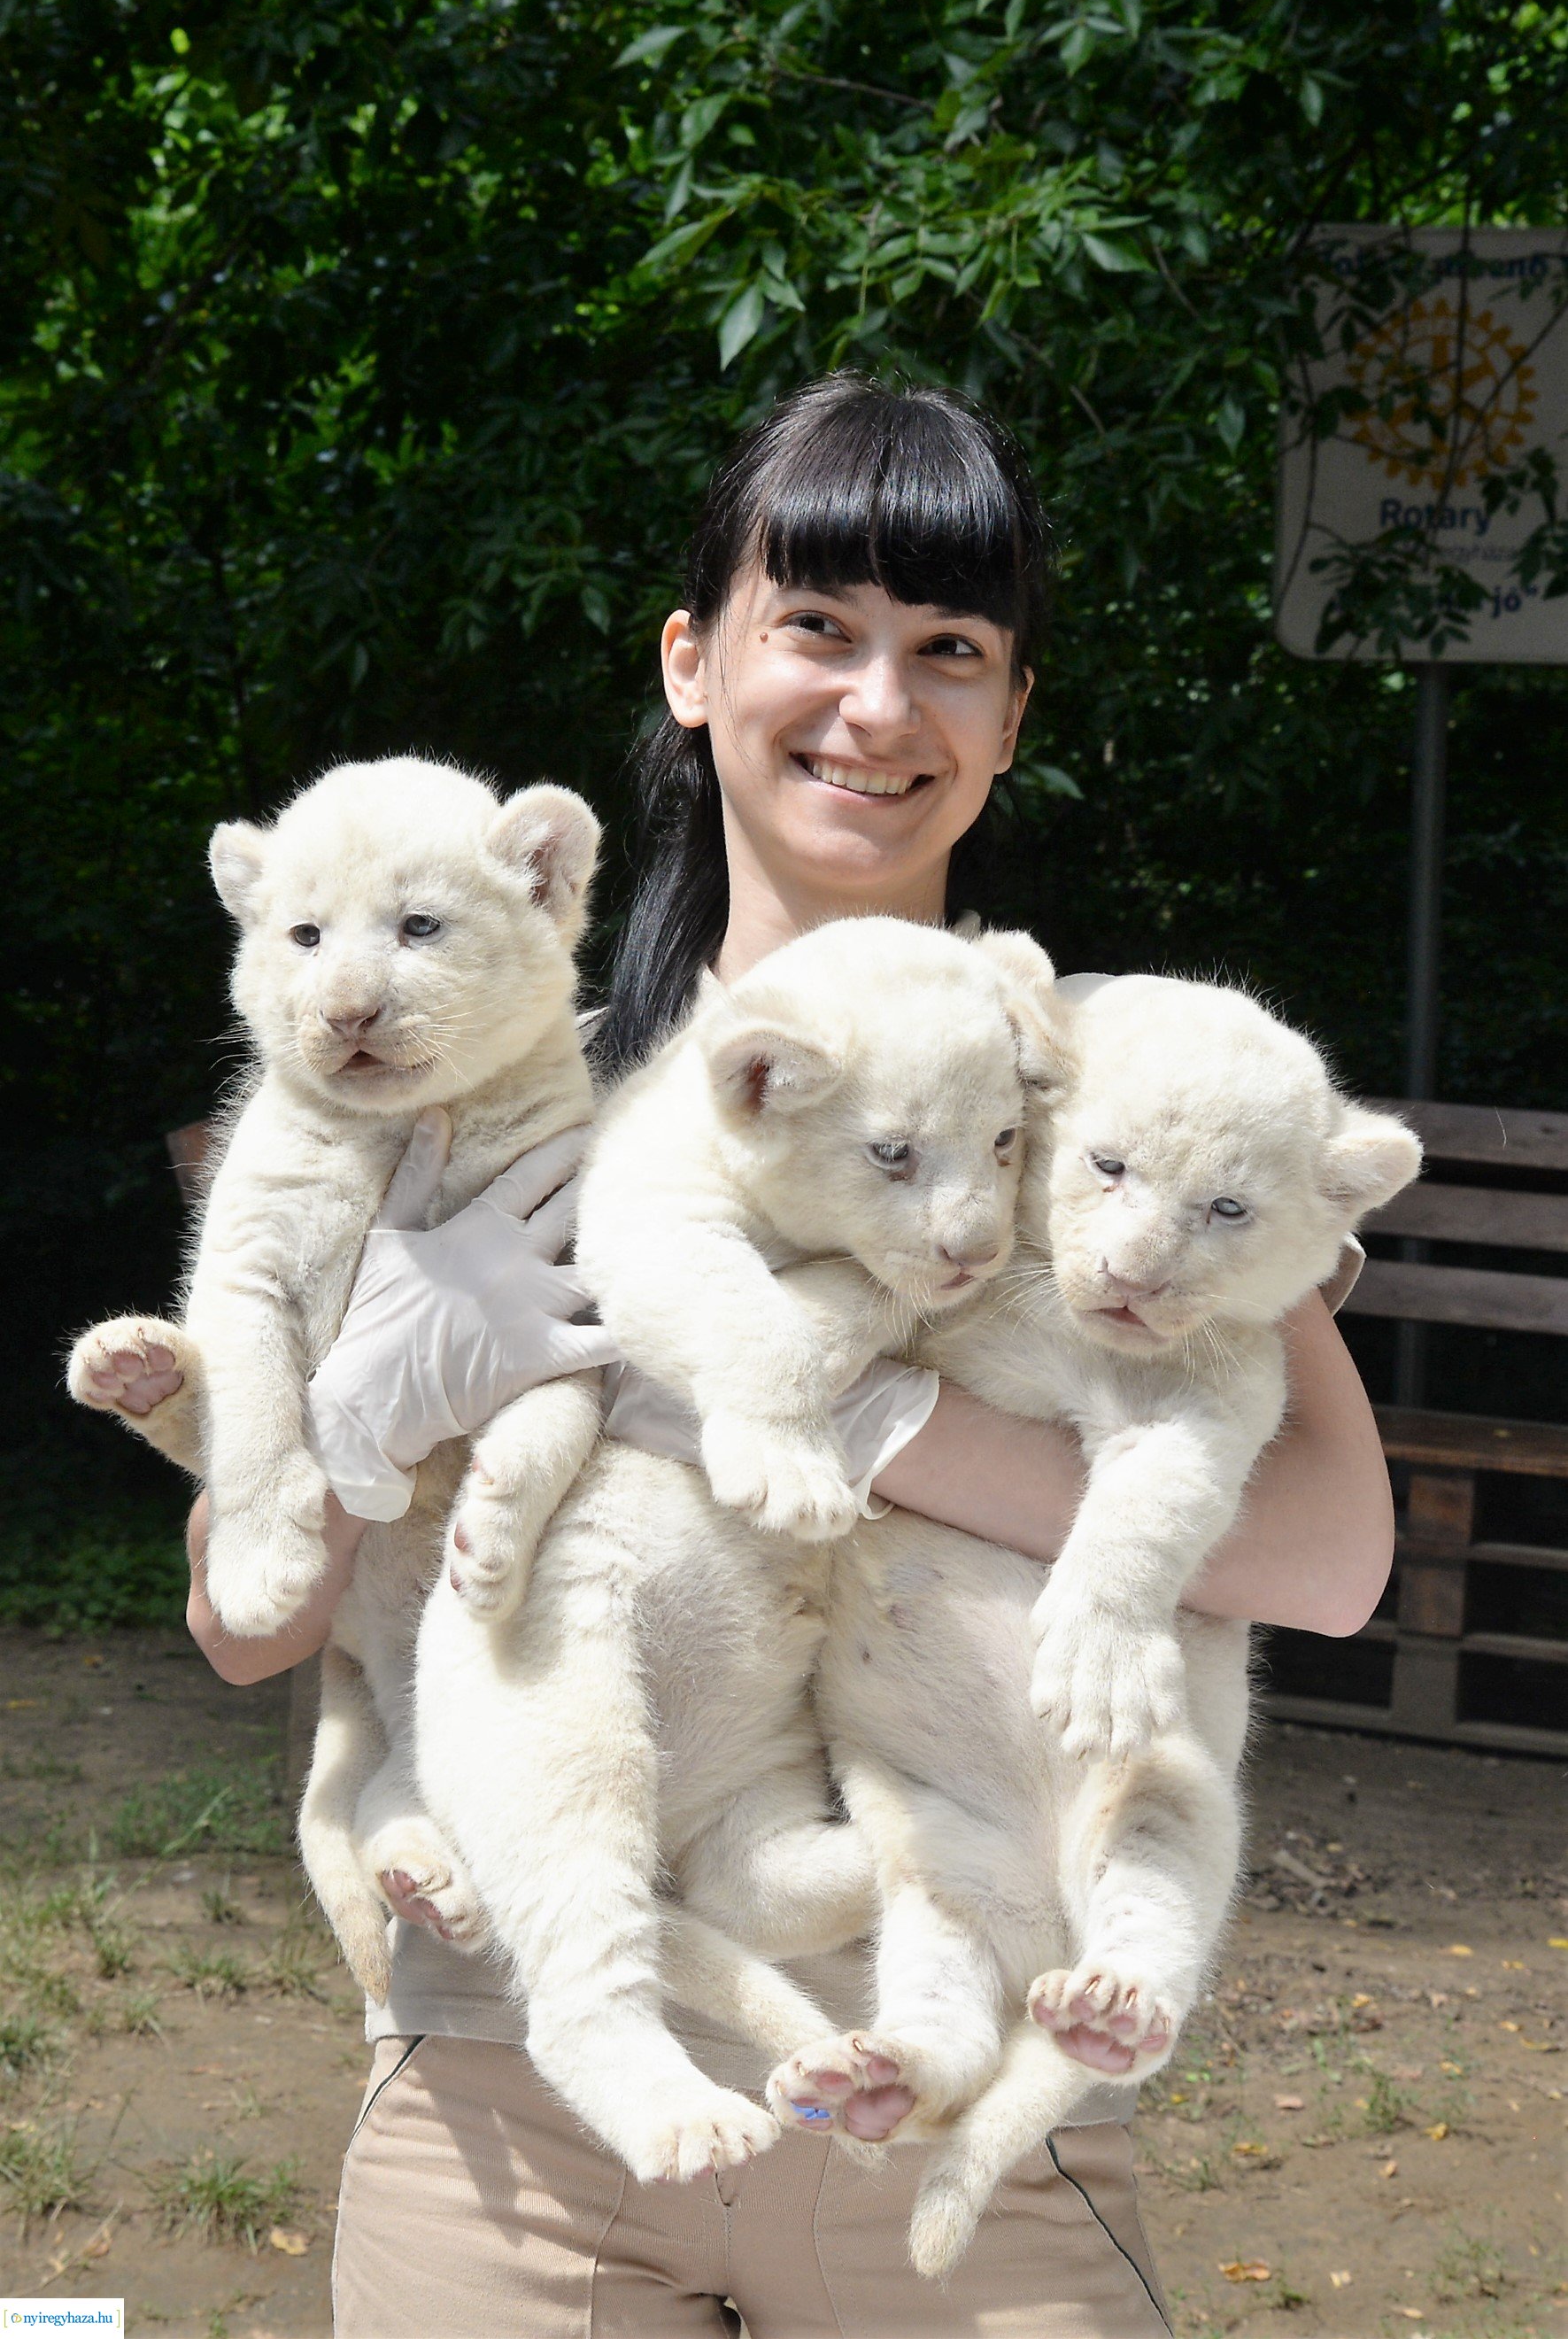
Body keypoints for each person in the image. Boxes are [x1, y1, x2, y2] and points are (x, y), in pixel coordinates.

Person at [178, 374, 1393, 2335]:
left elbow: (1330, 1550)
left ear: (1014, 717)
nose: (878, 708)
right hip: (522, 2107)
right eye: (816, 629)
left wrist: (851, 1390)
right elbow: (243, 1627)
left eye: (952, 653)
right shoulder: (485, 1071)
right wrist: (353, 1404)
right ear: (693, 662)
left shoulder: (1112, 1077)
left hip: (960, 2101)